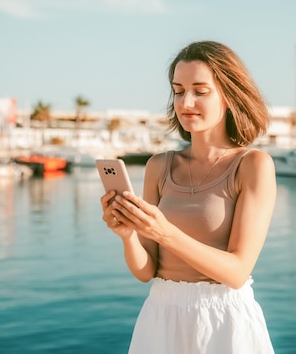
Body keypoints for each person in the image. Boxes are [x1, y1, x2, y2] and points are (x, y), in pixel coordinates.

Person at [100, 40, 277, 354]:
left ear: (229, 95)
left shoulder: (252, 166)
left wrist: (164, 232)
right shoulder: (159, 166)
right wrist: (127, 236)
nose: (186, 101)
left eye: (200, 90)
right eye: (178, 90)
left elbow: (237, 272)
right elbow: (146, 272)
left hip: (224, 321)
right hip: (160, 316)